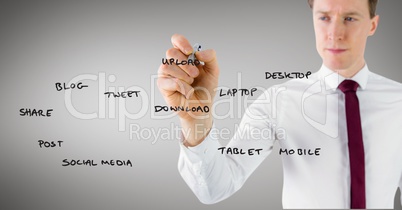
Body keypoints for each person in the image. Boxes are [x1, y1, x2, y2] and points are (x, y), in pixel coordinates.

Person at [157, 0, 402, 208]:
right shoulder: (278, 100)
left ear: (372, 25)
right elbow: (215, 188)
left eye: (349, 18)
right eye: (324, 17)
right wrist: (196, 122)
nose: (334, 33)